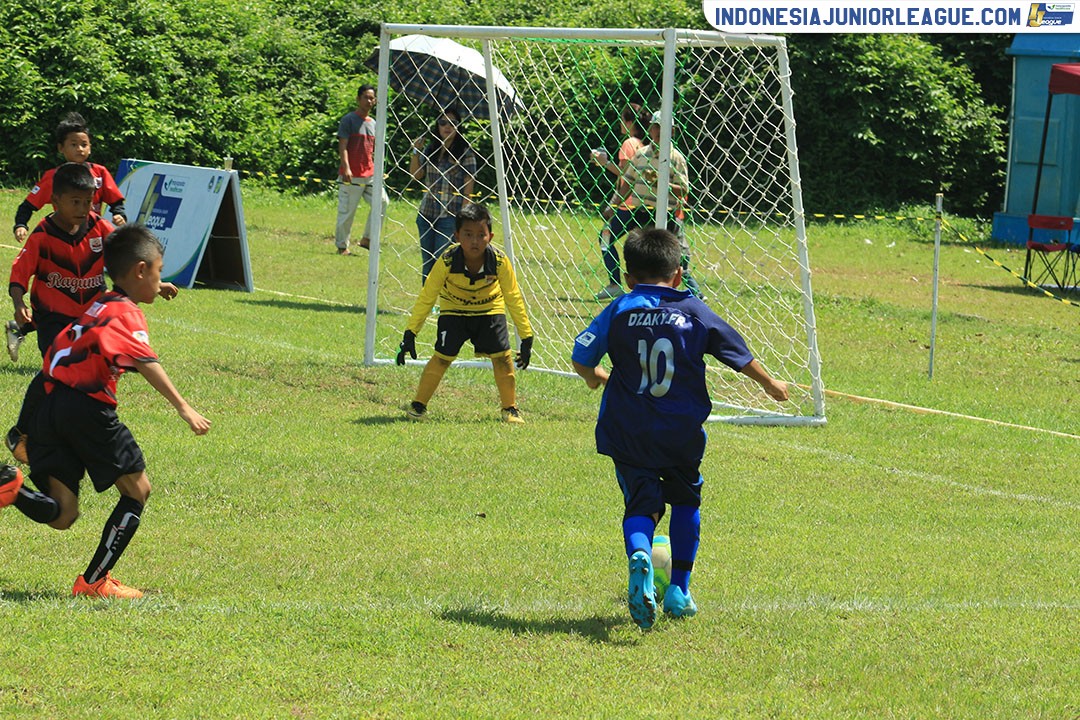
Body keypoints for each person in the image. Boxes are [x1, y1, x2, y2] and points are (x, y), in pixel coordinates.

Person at [571, 228, 788, 629]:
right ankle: (679, 590)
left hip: (627, 429)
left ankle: (640, 552)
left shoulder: (619, 308)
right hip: (680, 430)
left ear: (629, 278)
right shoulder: (693, 309)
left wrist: (595, 376)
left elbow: (581, 355)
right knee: (686, 502)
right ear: (678, 274)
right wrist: (770, 384)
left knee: (642, 504)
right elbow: (737, 354)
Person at [0, 224, 210, 599]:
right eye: (159, 272)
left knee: (63, 513)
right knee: (138, 490)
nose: (162, 280)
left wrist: (24, 428)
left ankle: (13, 488)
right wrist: (184, 408)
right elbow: (146, 362)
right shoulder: (125, 314)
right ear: (141, 270)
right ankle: (94, 581)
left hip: (50, 403)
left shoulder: (99, 303)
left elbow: (49, 366)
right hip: (87, 409)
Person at [5, 163, 177, 464]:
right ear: (55, 201)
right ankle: (22, 432)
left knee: (86, 376)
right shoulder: (42, 235)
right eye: (75, 202)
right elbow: (19, 272)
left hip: (91, 319)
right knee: (53, 372)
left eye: (88, 202)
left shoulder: (100, 228)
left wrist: (156, 282)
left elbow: (128, 259)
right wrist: (19, 303)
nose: (83, 208)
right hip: (53, 317)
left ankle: (68, 432)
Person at [395, 203, 534, 424]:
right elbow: (427, 295)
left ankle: (510, 409)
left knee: (503, 358)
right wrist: (411, 333)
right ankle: (418, 405)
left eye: (481, 235)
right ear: (457, 235)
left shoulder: (499, 261)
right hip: (453, 310)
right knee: (442, 358)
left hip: (489, 309)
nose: (475, 241)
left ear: (491, 236)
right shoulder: (447, 261)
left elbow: (513, 297)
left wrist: (526, 336)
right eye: (468, 235)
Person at [8, 112, 128, 360]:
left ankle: (23, 329)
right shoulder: (54, 180)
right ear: (61, 148)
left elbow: (116, 202)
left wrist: (118, 214)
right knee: (58, 310)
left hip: (90, 242)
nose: (80, 149)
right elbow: (28, 205)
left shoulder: (99, 174)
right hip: (60, 242)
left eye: (84, 144)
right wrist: (21, 224)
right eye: (73, 144)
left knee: (85, 307)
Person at [617, 111, 703, 298]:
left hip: (667, 214)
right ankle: (644, 291)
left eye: (664, 128)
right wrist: (614, 204)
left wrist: (660, 182)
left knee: (676, 255)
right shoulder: (640, 155)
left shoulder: (676, 158)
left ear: (672, 132)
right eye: (656, 126)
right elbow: (628, 182)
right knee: (643, 254)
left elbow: (683, 189)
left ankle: (695, 294)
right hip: (641, 212)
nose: (659, 131)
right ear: (651, 129)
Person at [589, 104, 650, 300]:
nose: (620, 123)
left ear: (630, 121)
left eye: (622, 119)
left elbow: (626, 174)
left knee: (605, 238)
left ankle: (615, 283)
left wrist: (604, 162)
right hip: (643, 204)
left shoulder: (629, 143)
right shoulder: (644, 144)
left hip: (627, 204)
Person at [409, 107, 477, 283]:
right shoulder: (431, 148)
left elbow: (469, 188)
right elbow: (416, 175)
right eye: (442, 122)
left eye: (453, 123)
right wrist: (416, 151)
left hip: (449, 216)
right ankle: (427, 304)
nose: (447, 126)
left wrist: (463, 217)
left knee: (441, 262)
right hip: (426, 213)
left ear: (458, 126)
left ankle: (444, 301)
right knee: (427, 262)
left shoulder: (465, 152)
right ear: (437, 126)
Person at [335, 84, 389, 255]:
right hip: (352, 175)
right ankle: (342, 246)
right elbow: (342, 146)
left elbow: (373, 150)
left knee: (382, 202)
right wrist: (346, 168)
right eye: (366, 97)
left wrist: (378, 169)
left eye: (372, 98)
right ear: (358, 99)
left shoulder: (374, 123)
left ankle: (368, 239)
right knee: (348, 211)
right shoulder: (348, 120)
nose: (369, 101)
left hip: (370, 174)